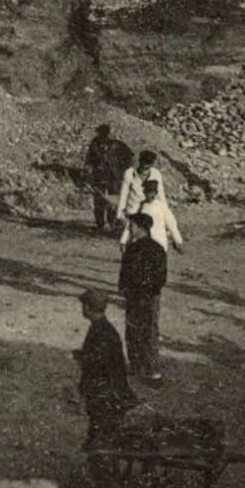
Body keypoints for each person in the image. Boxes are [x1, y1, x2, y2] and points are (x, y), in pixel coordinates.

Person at [75, 288, 137, 451]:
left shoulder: (100, 331)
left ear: (88, 308)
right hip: (109, 392)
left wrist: (83, 359)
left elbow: (97, 365)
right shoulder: (105, 329)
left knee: (102, 435)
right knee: (102, 432)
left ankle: (102, 468)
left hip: (106, 395)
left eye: (84, 305)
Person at [119, 212, 168, 382]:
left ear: (141, 228)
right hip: (141, 296)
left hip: (144, 296)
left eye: (132, 225)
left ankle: (149, 369)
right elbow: (125, 273)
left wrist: (140, 290)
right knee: (139, 330)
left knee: (143, 331)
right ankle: (141, 367)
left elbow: (159, 277)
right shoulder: (144, 248)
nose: (130, 228)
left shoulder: (149, 249)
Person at [83, 124, 134, 232]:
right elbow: (89, 161)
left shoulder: (118, 145)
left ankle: (113, 223)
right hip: (99, 176)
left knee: (113, 201)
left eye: (106, 134)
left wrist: (125, 171)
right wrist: (88, 175)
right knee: (99, 201)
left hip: (114, 177)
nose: (104, 137)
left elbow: (129, 158)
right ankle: (100, 224)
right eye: (102, 134)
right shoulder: (94, 145)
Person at [121, 177, 184, 254]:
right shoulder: (140, 206)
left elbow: (171, 224)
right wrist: (123, 241)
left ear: (156, 193)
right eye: (148, 192)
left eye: (152, 192)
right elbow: (131, 224)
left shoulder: (161, 206)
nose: (150, 195)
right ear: (144, 192)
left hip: (160, 242)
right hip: (144, 243)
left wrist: (178, 240)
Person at [116, 149, 164, 223]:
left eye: (147, 167)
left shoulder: (156, 174)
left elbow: (161, 196)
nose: (144, 170)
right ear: (139, 162)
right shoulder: (129, 173)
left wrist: (164, 215)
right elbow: (123, 195)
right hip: (133, 212)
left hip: (149, 212)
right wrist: (119, 215)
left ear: (151, 165)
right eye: (143, 166)